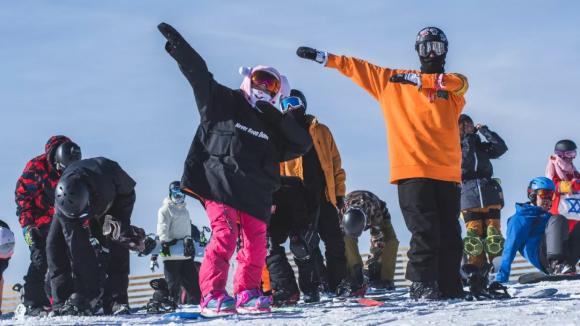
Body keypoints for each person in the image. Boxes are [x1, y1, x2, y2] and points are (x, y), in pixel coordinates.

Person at [296, 26, 469, 299]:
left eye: (438, 48)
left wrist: (424, 82)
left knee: (450, 233)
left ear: (446, 51)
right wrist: (324, 57)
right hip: (412, 169)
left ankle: (450, 285)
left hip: (448, 173)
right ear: (418, 51)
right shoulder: (392, 82)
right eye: (426, 49)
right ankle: (423, 283)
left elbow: (461, 82)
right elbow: (357, 67)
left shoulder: (452, 87)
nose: (432, 54)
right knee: (424, 231)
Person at [157, 23, 312, 316]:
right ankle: (213, 295)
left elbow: (302, 144)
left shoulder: (272, 124)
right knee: (225, 235)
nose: (264, 88)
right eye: (261, 79)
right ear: (248, 79)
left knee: (256, 244)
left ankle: (248, 293)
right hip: (220, 184)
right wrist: (179, 47)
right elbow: (198, 74)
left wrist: (278, 117)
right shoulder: (222, 101)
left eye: (273, 85)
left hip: (255, 193)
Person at [47, 157, 149, 316]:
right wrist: (87, 293)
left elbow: (127, 193)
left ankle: (116, 300)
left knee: (116, 240)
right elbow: (78, 249)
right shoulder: (63, 203)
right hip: (75, 209)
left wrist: (123, 230)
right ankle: (67, 301)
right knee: (54, 245)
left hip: (117, 198)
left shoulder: (107, 179)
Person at [278, 89, 353, 301]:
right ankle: (312, 287)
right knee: (304, 245)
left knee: (335, 242)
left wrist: (339, 194)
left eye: (293, 102)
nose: (290, 108)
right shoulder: (282, 135)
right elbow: (278, 169)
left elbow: (336, 164)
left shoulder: (320, 130)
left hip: (324, 196)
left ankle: (339, 283)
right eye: (284, 105)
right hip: (298, 200)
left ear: (303, 103)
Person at [14, 136, 81, 316]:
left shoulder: (73, 168)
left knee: (68, 258)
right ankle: (31, 302)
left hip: (60, 220)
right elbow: (22, 197)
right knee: (40, 257)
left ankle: (66, 300)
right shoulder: (36, 167)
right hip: (36, 220)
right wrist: (28, 226)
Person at [496, 177, 580, 283]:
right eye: (544, 194)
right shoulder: (520, 218)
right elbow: (510, 248)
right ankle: (557, 264)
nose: (548, 200)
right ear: (533, 195)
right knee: (558, 219)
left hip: (565, 258)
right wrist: (501, 279)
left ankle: (563, 265)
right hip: (544, 259)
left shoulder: (548, 217)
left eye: (551, 196)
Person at [458, 114, 508, 269]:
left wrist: (485, 131)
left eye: (470, 125)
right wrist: (468, 139)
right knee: (474, 234)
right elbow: (464, 162)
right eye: (465, 125)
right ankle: (476, 268)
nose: (469, 128)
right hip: (468, 195)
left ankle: (496, 265)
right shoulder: (456, 147)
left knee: (494, 233)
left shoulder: (482, 147)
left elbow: (501, 148)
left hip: (489, 194)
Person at [341, 190, 399, 293]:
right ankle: (355, 274)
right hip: (354, 212)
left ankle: (385, 280)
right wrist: (356, 274)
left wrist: (372, 266)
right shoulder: (341, 212)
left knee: (390, 242)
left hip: (380, 214)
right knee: (346, 240)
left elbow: (378, 241)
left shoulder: (374, 212)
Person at [266, 176, 312, 306]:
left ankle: (292, 289)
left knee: (269, 245)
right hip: (281, 208)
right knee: (267, 245)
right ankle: (282, 289)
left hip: (293, 207)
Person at [155, 181, 201, 305]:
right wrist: (164, 242)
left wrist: (189, 240)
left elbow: (187, 229)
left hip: (184, 253)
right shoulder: (165, 209)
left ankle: (195, 305)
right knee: (173, 285)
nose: (178, 196)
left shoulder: (185, 210)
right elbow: (162, 227)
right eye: (175, 193)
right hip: (171, 253)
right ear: (170, 193)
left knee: (193, 283)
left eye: (181, 194)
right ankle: (170, 306)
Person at [545, 139, 580, 230]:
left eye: (574, 153)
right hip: (560, 212)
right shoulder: (553, 168)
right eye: (570, 154)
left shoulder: (573, 171)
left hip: (575, 214)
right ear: (561, 155)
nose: (573, 157)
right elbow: (553, 185)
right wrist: (572, 185)